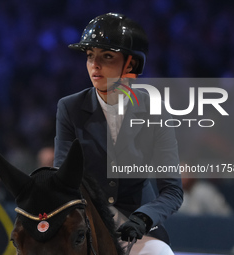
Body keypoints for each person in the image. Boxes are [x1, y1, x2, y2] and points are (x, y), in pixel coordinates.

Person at [54, 13, 183, 254]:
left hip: (136, 223)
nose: (95, 65)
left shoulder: (156, 111)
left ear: (131, 64)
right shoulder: (69, 108)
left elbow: (172, 191)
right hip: (85, 219)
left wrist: (143, 219)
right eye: (90, 56)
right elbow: (63, 178)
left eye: (107, 57)